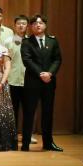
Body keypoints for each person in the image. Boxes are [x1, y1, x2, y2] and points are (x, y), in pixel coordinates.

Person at [20, 14, 62, 152]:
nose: (38, 25)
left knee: (48, 113)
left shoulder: (52, 41)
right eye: (34, 23)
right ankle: (25, 143)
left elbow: (57, 59)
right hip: (32, 82)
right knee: (29, 113)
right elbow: (27, 60)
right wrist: (40, 74)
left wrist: (50, 73)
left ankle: (48, 143)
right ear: (31, 27)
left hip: (49, 82)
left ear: (45, 25)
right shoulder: (27, 42)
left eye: (41, 23)